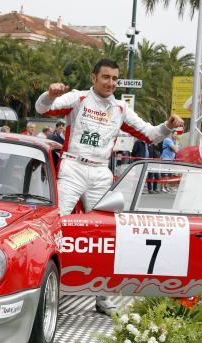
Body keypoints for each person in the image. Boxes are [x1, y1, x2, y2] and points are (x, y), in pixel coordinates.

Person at [35, 58, 184, 315]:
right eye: (106, 77)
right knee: (55, 226)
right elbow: (42, 109)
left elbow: (150, 134)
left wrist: (168, 126)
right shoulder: (78, 98)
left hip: (101, 173)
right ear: (94, 78)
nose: (111, 83)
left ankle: (103, 296)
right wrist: (49, 94)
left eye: (115, 78)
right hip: (73, 168)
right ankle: (46, 289)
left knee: (106, 233)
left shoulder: (121, 108)